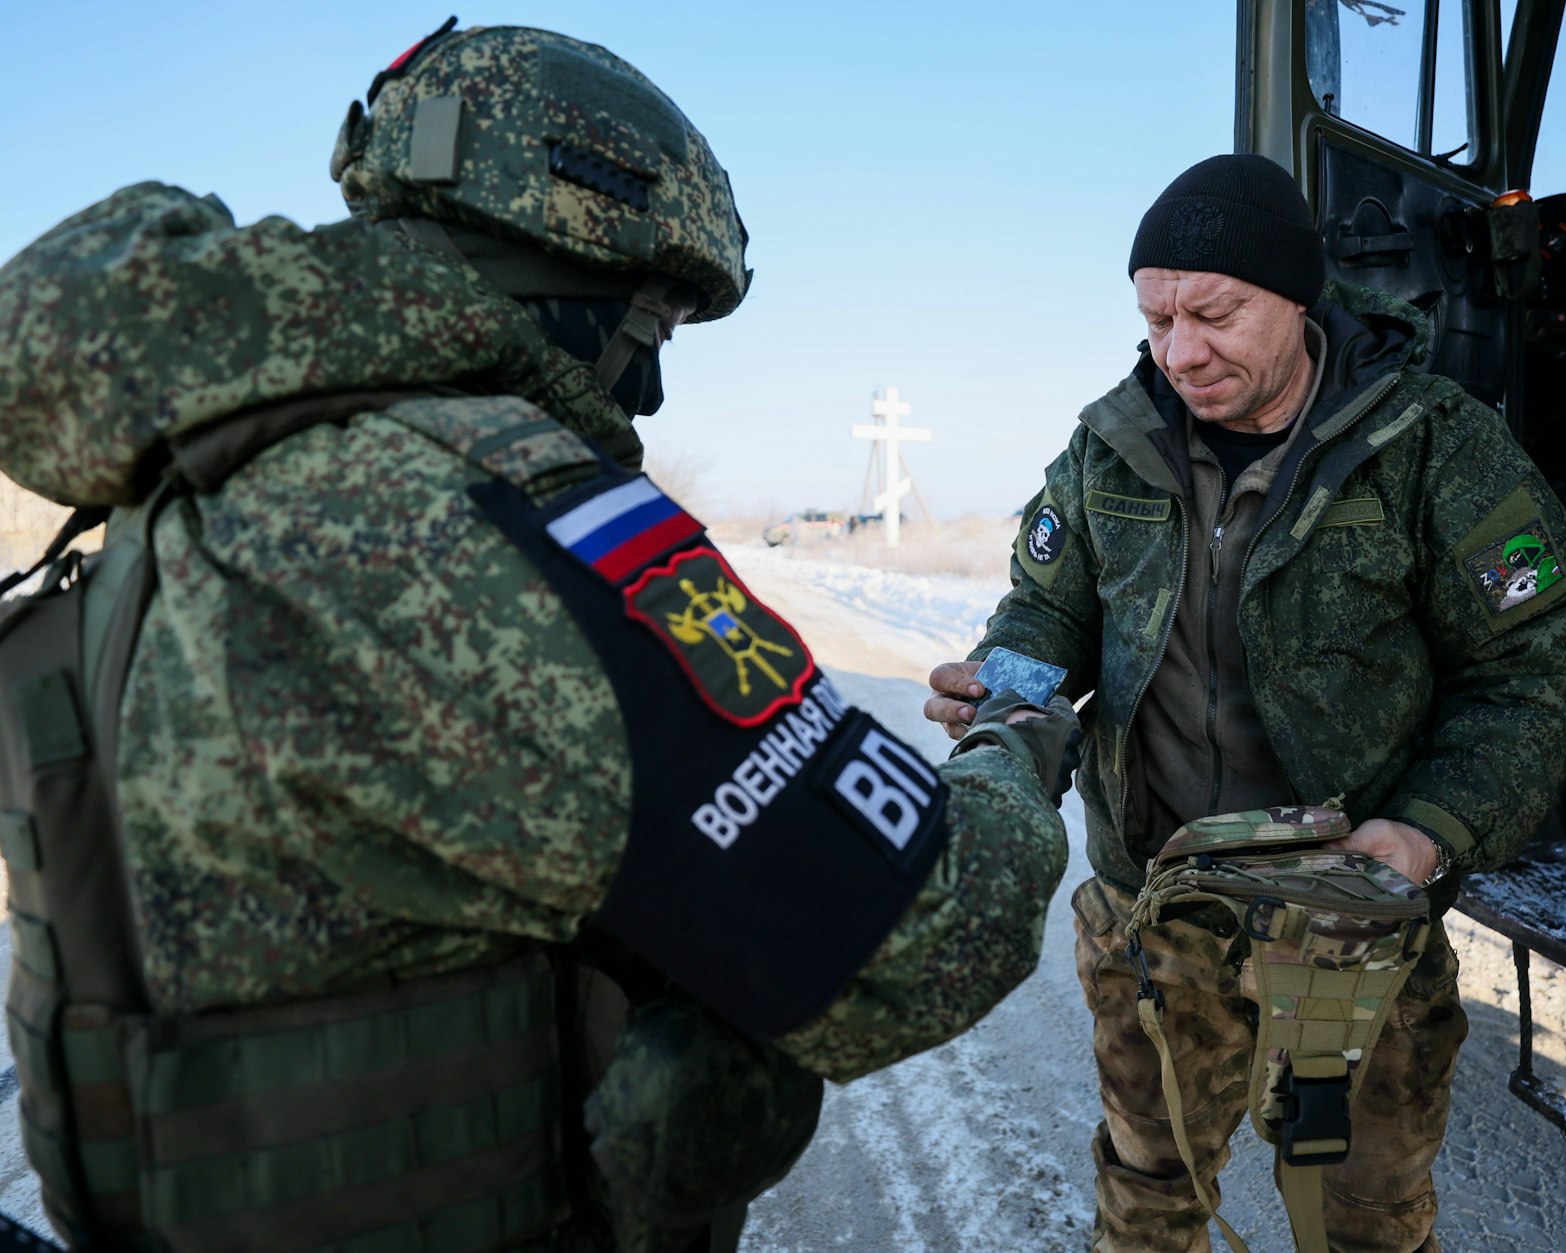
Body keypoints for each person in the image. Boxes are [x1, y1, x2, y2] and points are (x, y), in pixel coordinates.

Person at [0, 22, 1077, 1253]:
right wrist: (1012, 747)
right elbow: (922, 928)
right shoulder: (510, 519)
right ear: (567, 265)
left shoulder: (187, 476)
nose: (650, 396)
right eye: (652, 332)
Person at [925, 154, 1566, 1252]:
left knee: (1365, 1223)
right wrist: (1005, 699)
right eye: (1154, 319)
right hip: (1153, 919)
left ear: (1296, 297)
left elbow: (1537, 665)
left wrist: (1429, 829)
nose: (1178, 351)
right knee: (1146, 1197)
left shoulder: (1429, 445)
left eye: (1214, 312)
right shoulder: (1108, 446)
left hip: (1351, 933)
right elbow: (1043, 615)